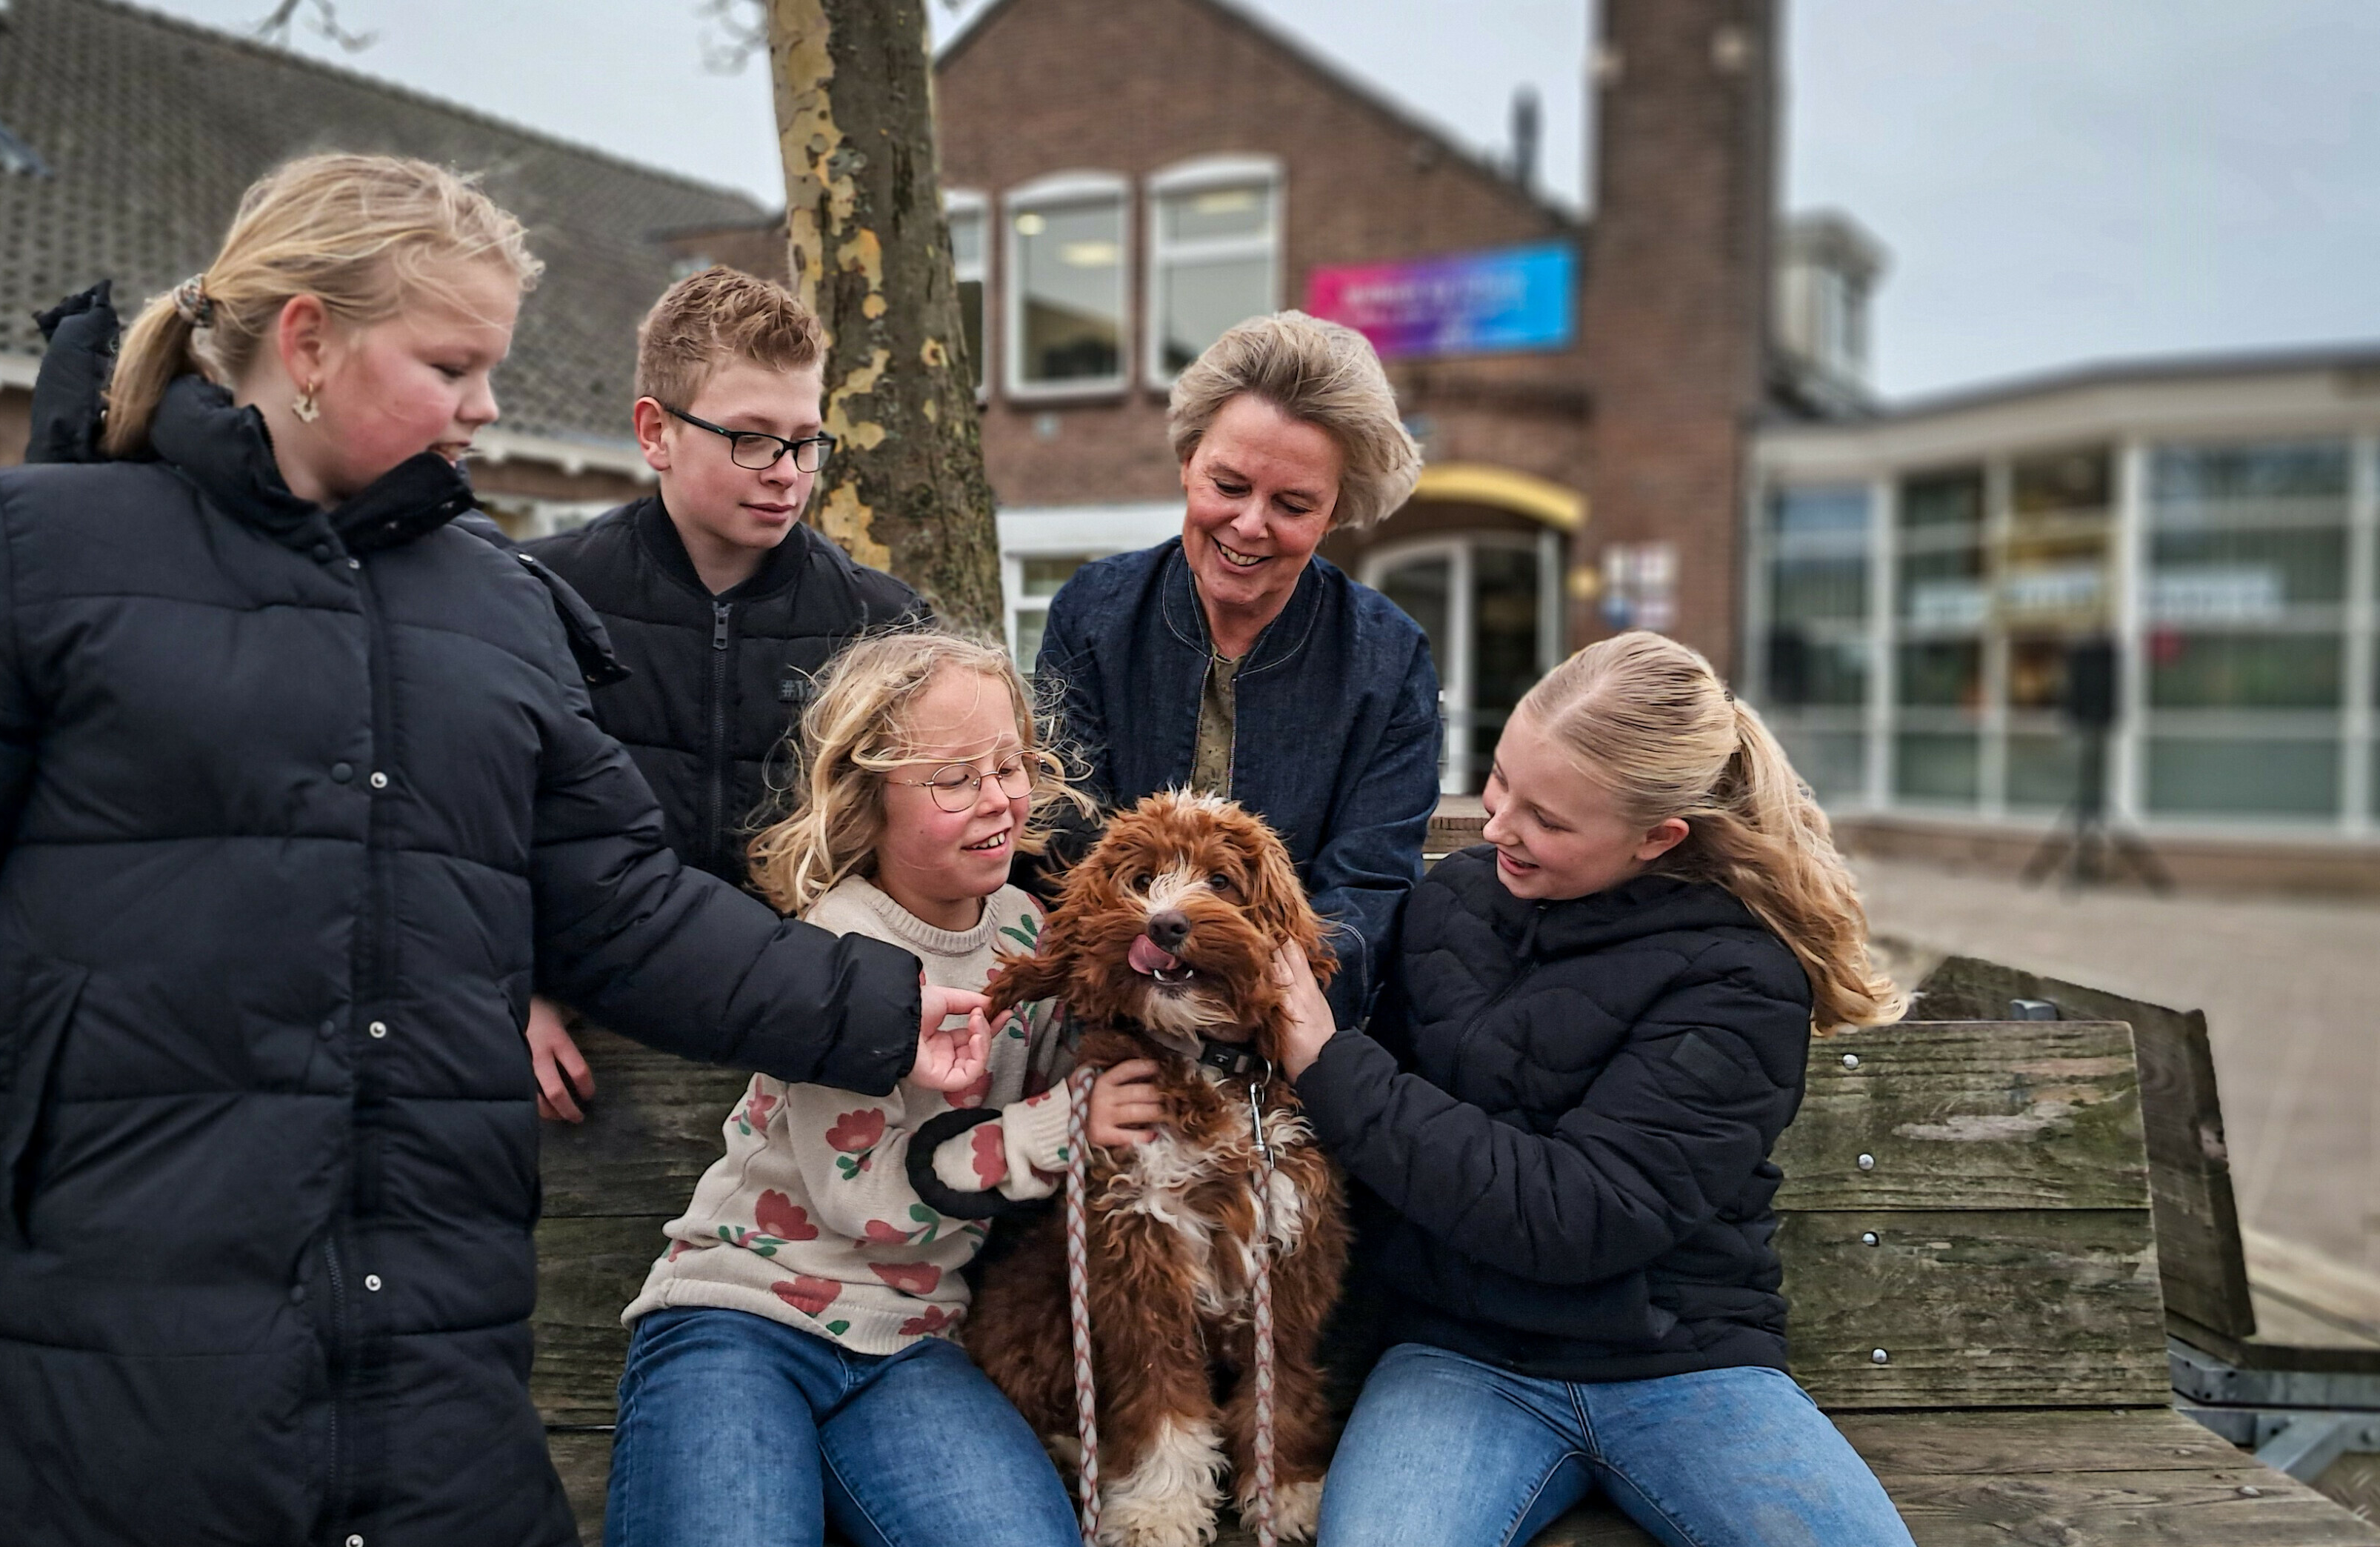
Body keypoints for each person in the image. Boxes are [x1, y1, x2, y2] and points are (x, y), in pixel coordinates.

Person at [0, 153, 992, 1547]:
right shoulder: (35, 550)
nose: (487, 405)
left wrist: (885, 1012)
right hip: (121, 1316)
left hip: (431, 1324)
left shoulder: (497, 606)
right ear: (309, 342)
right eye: (452, 365)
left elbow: (620, 905)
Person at [1270, 631, 1916, 1547]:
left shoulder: (1739, 979)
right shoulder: (1453, 902)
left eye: (1548, 819)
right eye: (1499, 782)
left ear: (1658, 837)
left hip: (1683, 1367)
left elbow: (1578, 1215)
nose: (1496, 827)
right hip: (1455, 1358)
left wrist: (1329, 1063)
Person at [603, 633, 1164, 1547]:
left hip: (911, 1342)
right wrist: (1059, 1128)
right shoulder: (836, 949)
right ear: (869, 798)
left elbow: (1078, 1069)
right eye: (953, 780)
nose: (997, 798)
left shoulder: (1026, 929)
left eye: (1010, 765)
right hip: (742, 1319)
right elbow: (863, 1197)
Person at [516, 265, 926, 1125]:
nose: (786, 472)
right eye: (750, 438)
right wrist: (509, 984)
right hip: (589, 1072)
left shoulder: (884, 626)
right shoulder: (538, 599)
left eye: (806, 441)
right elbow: (473, 832)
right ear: (655, 432)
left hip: (820, 1064)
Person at [1029, 310, 1438, 1030]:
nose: (1250, 525)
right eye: (1228, 485)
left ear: (1335, 511)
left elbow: (1369, 886)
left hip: (1287, 1023)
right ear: (1188, 461)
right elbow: (1068, 832)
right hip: (1108, 1009)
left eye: (1293, 504)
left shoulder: (1390, 658)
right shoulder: (1092, 612)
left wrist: (1274, 1020)